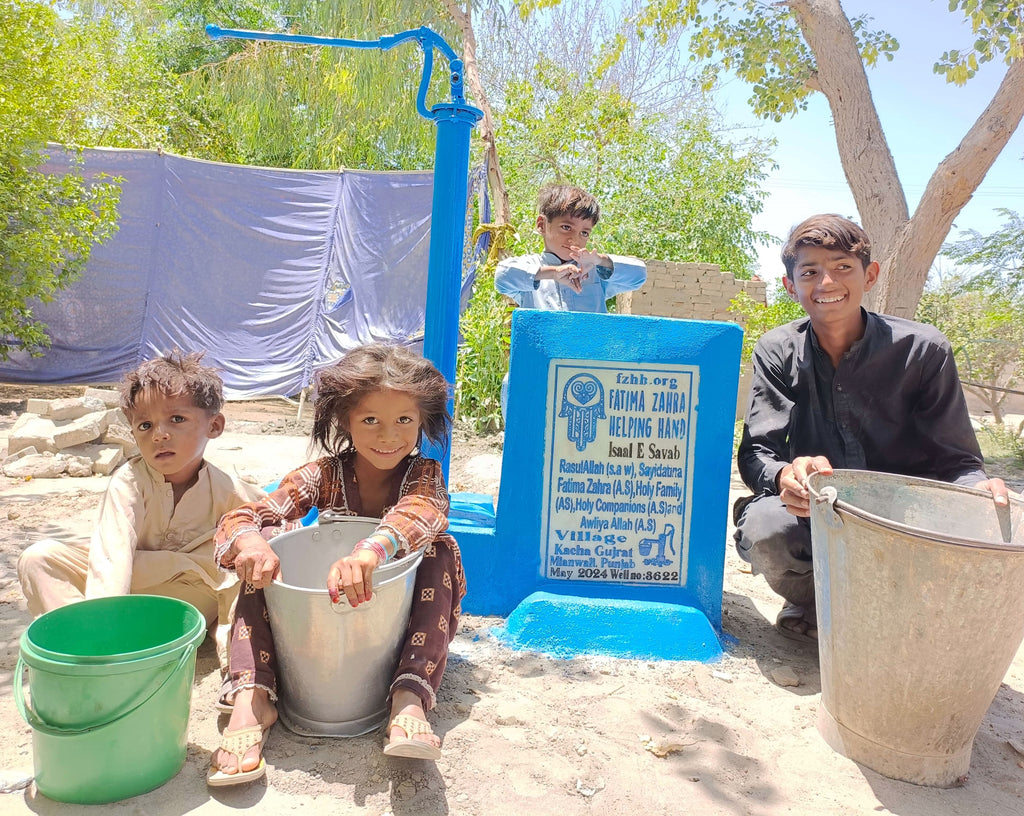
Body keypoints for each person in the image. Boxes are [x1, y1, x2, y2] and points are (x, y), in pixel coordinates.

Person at [733, 214, 1009, 644]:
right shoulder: (777, 350)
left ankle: (889, 617)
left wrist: (979, 490)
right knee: (768, 527)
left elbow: (957, 460)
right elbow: (756, 455)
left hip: (904, 523)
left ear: (871, 275)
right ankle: (813, 602)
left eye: (842, 266)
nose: (826, 282)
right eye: (809, 271)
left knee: (989, 522)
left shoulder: (923, 350)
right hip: (819, 516)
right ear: (791, 286)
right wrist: (786, 475)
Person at [208, 343, 466, 787]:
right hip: (326, 622)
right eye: (370, 420)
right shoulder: (322, 474)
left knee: (438, 548)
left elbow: (423, 511)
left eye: (404, 419)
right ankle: (254, 694)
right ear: (343, 421)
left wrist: (371, 550)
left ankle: (408, 695)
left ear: (423, 420)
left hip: (400, 619)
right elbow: (250, 514)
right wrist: (250, 540)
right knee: (263, 554)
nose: (388, 435)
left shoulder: (424, 474)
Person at [17, 350, 263, 670]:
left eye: (177, 419)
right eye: (145, 425)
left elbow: (265, 523)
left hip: (190, 591)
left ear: (214, 426)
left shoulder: (229, 488)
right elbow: (111, 559)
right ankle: (86, 650)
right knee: (39, 558)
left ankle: (124, 647)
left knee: (229, 578)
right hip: (127, 588)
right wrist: (104, 625)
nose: (159, 434)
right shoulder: (128, 482)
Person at [494, 183, 647, 413]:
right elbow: (502, 277)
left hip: (589, 378)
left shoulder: (594, 272)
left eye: (584, 232)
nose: (575, 238)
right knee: (518, 404)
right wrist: (552, 275)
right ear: (541, 225)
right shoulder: (533, 267)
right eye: (566, 227)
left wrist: (600, 261)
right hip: (539, 376)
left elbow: (639, 274)